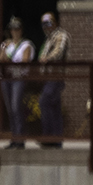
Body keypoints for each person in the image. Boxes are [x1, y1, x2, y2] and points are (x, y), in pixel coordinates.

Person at [0, 17, 34, 147]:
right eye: (12, 29)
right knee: (10, 109)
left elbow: (25, 61)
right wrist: (3, 48)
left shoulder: (26, 44)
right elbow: (0, 60)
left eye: (17, 29)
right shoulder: (6, 44)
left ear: (21, 30)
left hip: (18, 78)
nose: (15, 31)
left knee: (16, 106)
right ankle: (14, 137)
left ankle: (20, 138)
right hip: (6, 78)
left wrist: (9, 60)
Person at [36, 12, 69, 146]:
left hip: (56, 76)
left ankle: (49, 137)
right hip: (48, 77)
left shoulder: (61, 35)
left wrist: (47, 59)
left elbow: (59, 51)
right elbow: (41, 57)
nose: (47, 27)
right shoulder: (48, 39)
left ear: (55, 23)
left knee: (44, 102)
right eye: (44, 24)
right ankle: (56, 139)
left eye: (49, 23)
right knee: (54, 106)